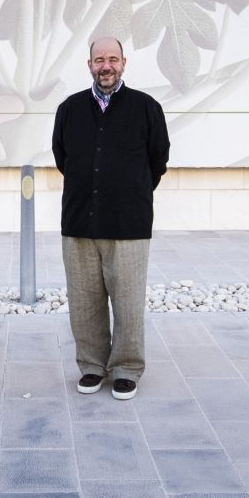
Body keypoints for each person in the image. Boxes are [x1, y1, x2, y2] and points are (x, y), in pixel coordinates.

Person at [51, 35, 170, 401]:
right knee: (85, 301)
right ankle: (91, 366)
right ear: (89, 65)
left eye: (113, 59)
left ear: (124, 63)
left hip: (129, 224)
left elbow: (158, 159)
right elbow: (62, 157)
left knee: (128, 301)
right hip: (80, 222)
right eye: (99, 59)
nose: (106, 65)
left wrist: (130, 190)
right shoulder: (69, 109)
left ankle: (126, 368)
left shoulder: (146, 107)